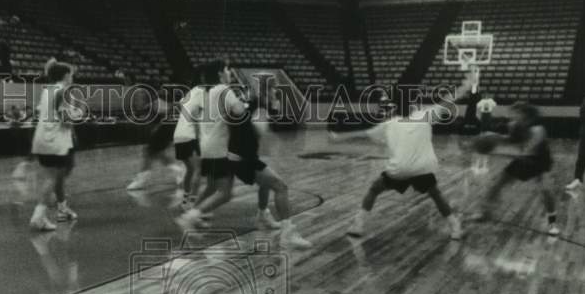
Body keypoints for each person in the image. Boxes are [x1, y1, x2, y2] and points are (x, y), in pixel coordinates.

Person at [332, 74, 474, 242]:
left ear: (395, 106)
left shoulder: (389, 123)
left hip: (399, 170)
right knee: (436, 194)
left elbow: (362, 133)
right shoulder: (425, 115)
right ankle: (455, 228)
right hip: (423, 168)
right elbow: (449, 100)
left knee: (373, 190)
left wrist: (339, 137)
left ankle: (358, 226)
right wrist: (466, 86)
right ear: (413, 105)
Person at [178, 78, 310, 249]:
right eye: (272, 90)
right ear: (265, 91)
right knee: (280, 186)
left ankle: (262, 215)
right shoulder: (256, 107)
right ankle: (287, 234)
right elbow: (253, 130)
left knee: (228, 188)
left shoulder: (254, 105)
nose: (275, 94)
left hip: (235, 154)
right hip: (241, 157)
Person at [476, 103, 559, 236]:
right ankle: (485, 213)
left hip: (539, 160)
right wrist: (493, 137)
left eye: (516, 113)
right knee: (496, 184)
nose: (512, 116)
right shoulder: (513, 125)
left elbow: (524, 152)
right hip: (523, 158)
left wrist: (493, 152)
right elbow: (511, 140)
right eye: (512, 113)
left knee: (545, 190)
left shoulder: (538, 130)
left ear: (526, 115)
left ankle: (552, 223)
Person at [28, 58, 82, 231]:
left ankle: (62, 209)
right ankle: (38, 216)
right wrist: (79, 113)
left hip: (43, 139)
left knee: (56, 176)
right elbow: (66, 120)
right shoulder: (63, 92)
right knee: (52, 178)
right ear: (66, 76)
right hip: (55, 141)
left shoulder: (48, 91)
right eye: (71, 75)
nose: (73, 78)